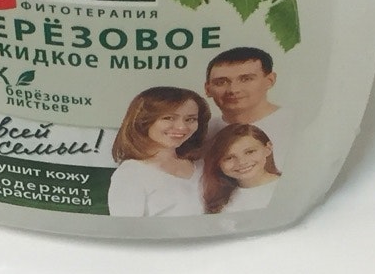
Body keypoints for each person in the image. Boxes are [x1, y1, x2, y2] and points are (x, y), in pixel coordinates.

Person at [107, 86, 209, 217]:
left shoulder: (201, 165)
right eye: (169, 118)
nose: (182, 127)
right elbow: (126, 228)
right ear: (143, 121)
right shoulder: (131, 174)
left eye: (190, 119)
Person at [204, 47, 290, 152]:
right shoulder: (199, 132)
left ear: (270, 81)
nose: (233, 90)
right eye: (221, 82)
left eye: (246, 79)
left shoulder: (297, 125)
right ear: (207, 89)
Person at [201, 123, 280, 214]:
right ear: (218, 163)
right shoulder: (218, 202)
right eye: (229, 157)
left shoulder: (287, 187)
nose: (242, 162)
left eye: (250, 152)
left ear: (268, 149)